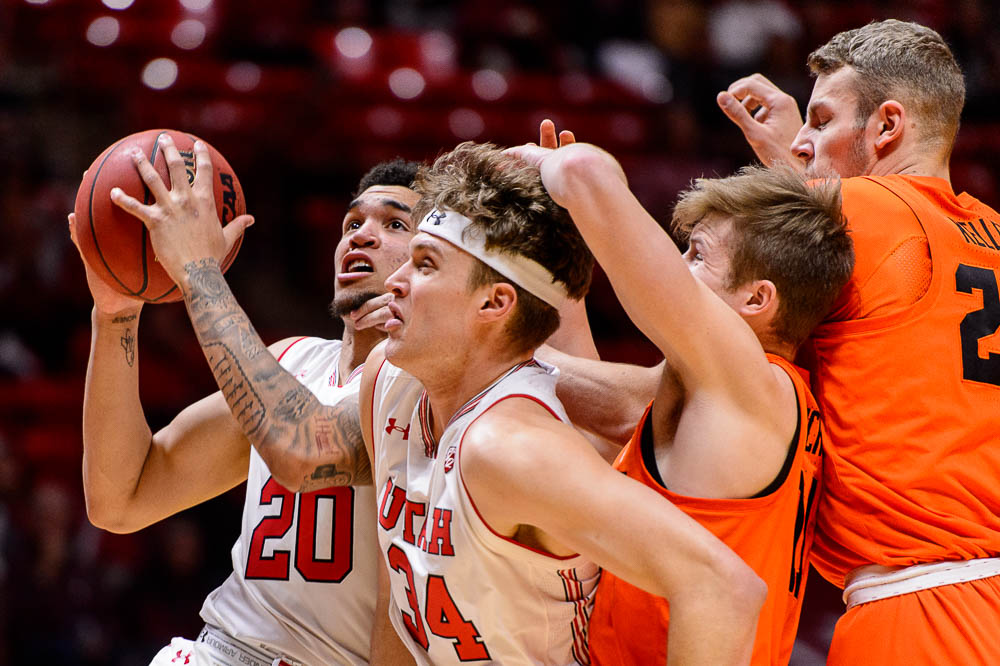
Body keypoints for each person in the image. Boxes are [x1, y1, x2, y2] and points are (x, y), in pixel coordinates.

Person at [360, 141, 767, 665]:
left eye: (424, 264)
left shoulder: (514, 449)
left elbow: (724, 588)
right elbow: (398, 607)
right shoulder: (388, 383)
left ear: (493, 303)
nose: (394, 280)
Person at [717, 19, 1000, 664]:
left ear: (887, 126)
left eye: (819, 120)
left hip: (924, 608)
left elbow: (689, 314)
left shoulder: (864, 210)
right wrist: (805, 151)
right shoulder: (989, 231)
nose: (802, 143)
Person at [72, 147, 421, 665]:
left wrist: (196, 268)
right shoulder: (291, 360)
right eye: (352, 221)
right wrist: (117, 313)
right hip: (215, 649)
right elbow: (121, 496)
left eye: (395, 223)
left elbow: (301, 446)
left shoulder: (431, 388)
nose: (360, 234)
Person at [512, 138, 854, 664]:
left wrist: (541, 166)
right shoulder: (719, 399)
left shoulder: (747, 384)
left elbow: (584, 170)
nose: (674, 268)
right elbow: (574, 386)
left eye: (696, 254)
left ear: (757, 299)